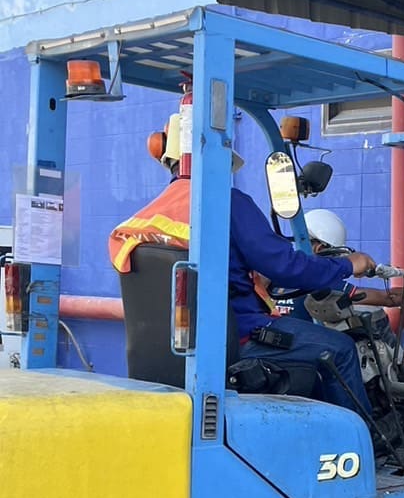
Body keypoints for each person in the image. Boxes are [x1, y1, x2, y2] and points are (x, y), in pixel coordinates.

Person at [109, 116, 377, 419]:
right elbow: (286, 266)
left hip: (173, 351)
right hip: (240, 338)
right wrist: (347, 264)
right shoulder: (227, 203)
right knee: (341, 350)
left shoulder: (146, 219)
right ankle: (365, 441)